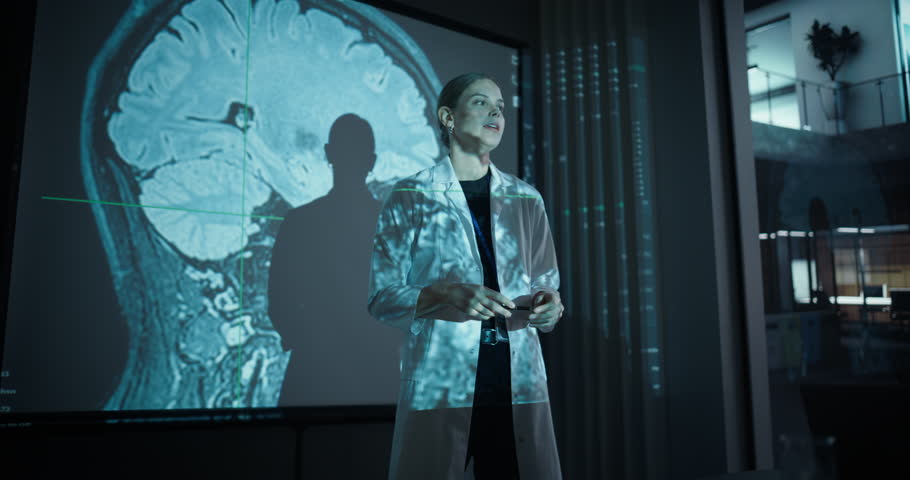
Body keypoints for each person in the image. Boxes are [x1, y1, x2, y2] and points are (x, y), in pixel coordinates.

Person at [368, 73, 564, 479]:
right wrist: (444, 295)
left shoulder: (526, 198)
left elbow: (546, 281)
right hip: (445, 383)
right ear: (448, 117)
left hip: (516, 384)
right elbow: (382, 296)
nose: (496, 112)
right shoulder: (412, 194)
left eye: (499, 106)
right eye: (480, 102)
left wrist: (549, 304)